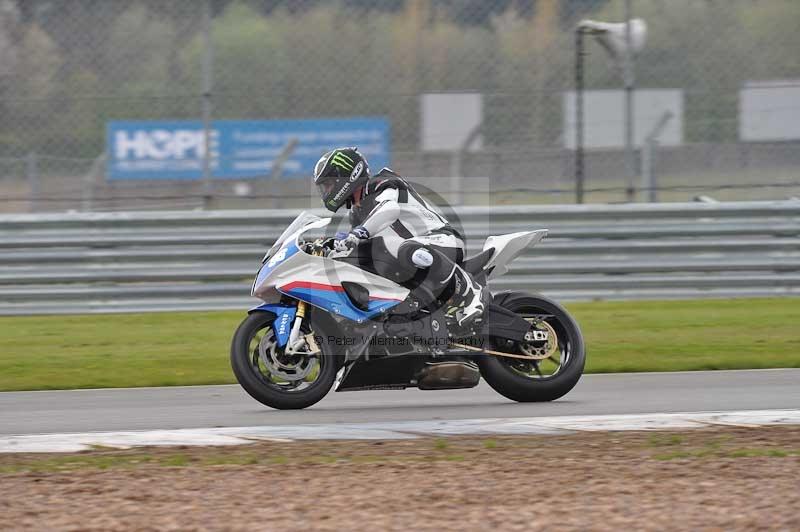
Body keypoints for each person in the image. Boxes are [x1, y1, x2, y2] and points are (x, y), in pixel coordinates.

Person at [313, 146, 485, 326]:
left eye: (328, 184)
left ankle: (470, 291)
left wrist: (357, 234)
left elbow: (389, 210)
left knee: (407, 249)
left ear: (347, 176)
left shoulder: (382, 183)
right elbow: (360, 247)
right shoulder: (357, 213)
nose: (326, 191)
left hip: (443, 240)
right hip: (414, 256)